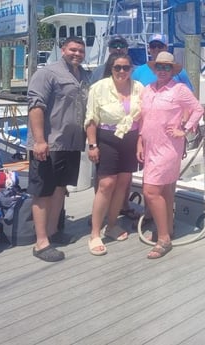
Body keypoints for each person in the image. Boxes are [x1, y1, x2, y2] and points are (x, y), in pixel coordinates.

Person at [27, 36, 91, 262]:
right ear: (63, 49)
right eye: (73, 49)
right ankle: (41, 242)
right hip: (50, 143)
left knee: (59, 189)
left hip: (71, 144)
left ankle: (53, 231)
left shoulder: (84, 75)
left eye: (81, 51)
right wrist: (39, 141)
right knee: (43, 191)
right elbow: (36, 106)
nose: (77, 54)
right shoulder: (47, 73)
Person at [137, 51, 204, 259]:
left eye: (167, 67)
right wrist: (140, 139)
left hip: (169, 147)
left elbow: (198, 109)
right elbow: (143, 118)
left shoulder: (179, 89)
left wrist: (184, 129)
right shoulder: (147, 90)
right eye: (159, 67)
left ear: (172, 70)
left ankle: (164, 239)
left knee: (150, 191)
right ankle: (169, 228)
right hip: (150, 146)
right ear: (154, 69)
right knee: (164, 191)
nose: (163, 70)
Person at [85, 53, 144, 256]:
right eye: (117, 67)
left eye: (126, 68)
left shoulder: (139, 88)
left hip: (131, 139)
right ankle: (94, 233)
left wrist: (140, 142)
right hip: (107, 138)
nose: (121, 71)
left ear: (131, 69)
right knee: (106, 184)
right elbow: (91, 119)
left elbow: (143, 118)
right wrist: (93, 145)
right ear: (111, 68)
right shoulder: (98, 88)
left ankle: (111, 226)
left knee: (123, 183)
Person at [90, 36, 140, 221]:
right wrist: (92, 142)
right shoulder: (98, 73)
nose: (118, 48)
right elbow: (92, 107)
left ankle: (123, 206)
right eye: (114, 45)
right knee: (104, 178)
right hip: (105, 131)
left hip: (129, 135)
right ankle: (100, 214)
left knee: (124, 178)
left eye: (122, 45)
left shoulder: (134, 78)